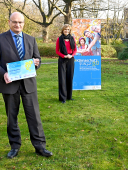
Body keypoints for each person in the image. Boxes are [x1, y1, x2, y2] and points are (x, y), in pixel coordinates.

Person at [0, 12, 53, 158]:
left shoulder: (30, 39)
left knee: (34, 116)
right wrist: (2, 73)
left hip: (28, 84)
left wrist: (36, 63)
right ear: (9, 22)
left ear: (24, 23)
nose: (18, 25)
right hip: (9, 84)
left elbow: (38, 59)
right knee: (12, 117)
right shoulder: (0, 39)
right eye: (15, 22)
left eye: (20, 22)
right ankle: (15, 146)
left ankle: (40, 146)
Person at [56, 24, 77, 104]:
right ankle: (62, 98)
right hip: (62, 60)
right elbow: (57, 51)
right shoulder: (59, 39)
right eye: (65, 29)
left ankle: (69, 96)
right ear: (63, 30)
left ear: (69, 30)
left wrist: (71, 55)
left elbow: (75, 49)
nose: (66, 31)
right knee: (62, 78)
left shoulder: (72, 38)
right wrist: (64, 56)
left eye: (68, 29)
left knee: (69, 77)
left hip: (71, 59)